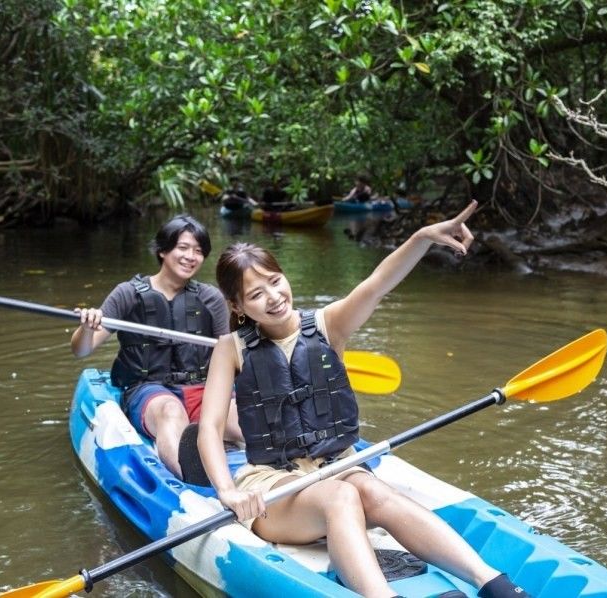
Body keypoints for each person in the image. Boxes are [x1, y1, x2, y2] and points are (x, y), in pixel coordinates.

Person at [197, 200, 531, 598]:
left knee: (371, 490)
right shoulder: (228, 348)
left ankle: (489, 580)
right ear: (237, 306)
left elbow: (377, 284)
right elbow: (211, 427)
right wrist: (227, 491)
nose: (273, 296)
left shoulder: (328, 324)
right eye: (256, 293)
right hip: (275, 487)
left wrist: (423, 238)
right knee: (342, 495)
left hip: (339, 465)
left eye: (275, 280)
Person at [71, 214, 243, 479]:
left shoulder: (210, 298)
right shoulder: (127, 294)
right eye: (183, 248)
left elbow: (229, 355)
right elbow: (81, 350)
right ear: (163, 250)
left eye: (198, 251)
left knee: (241, 417)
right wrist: (87, 327)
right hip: (148, 390)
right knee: (170, 412)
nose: (191, 257)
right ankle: (191, 476)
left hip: (202, 389)